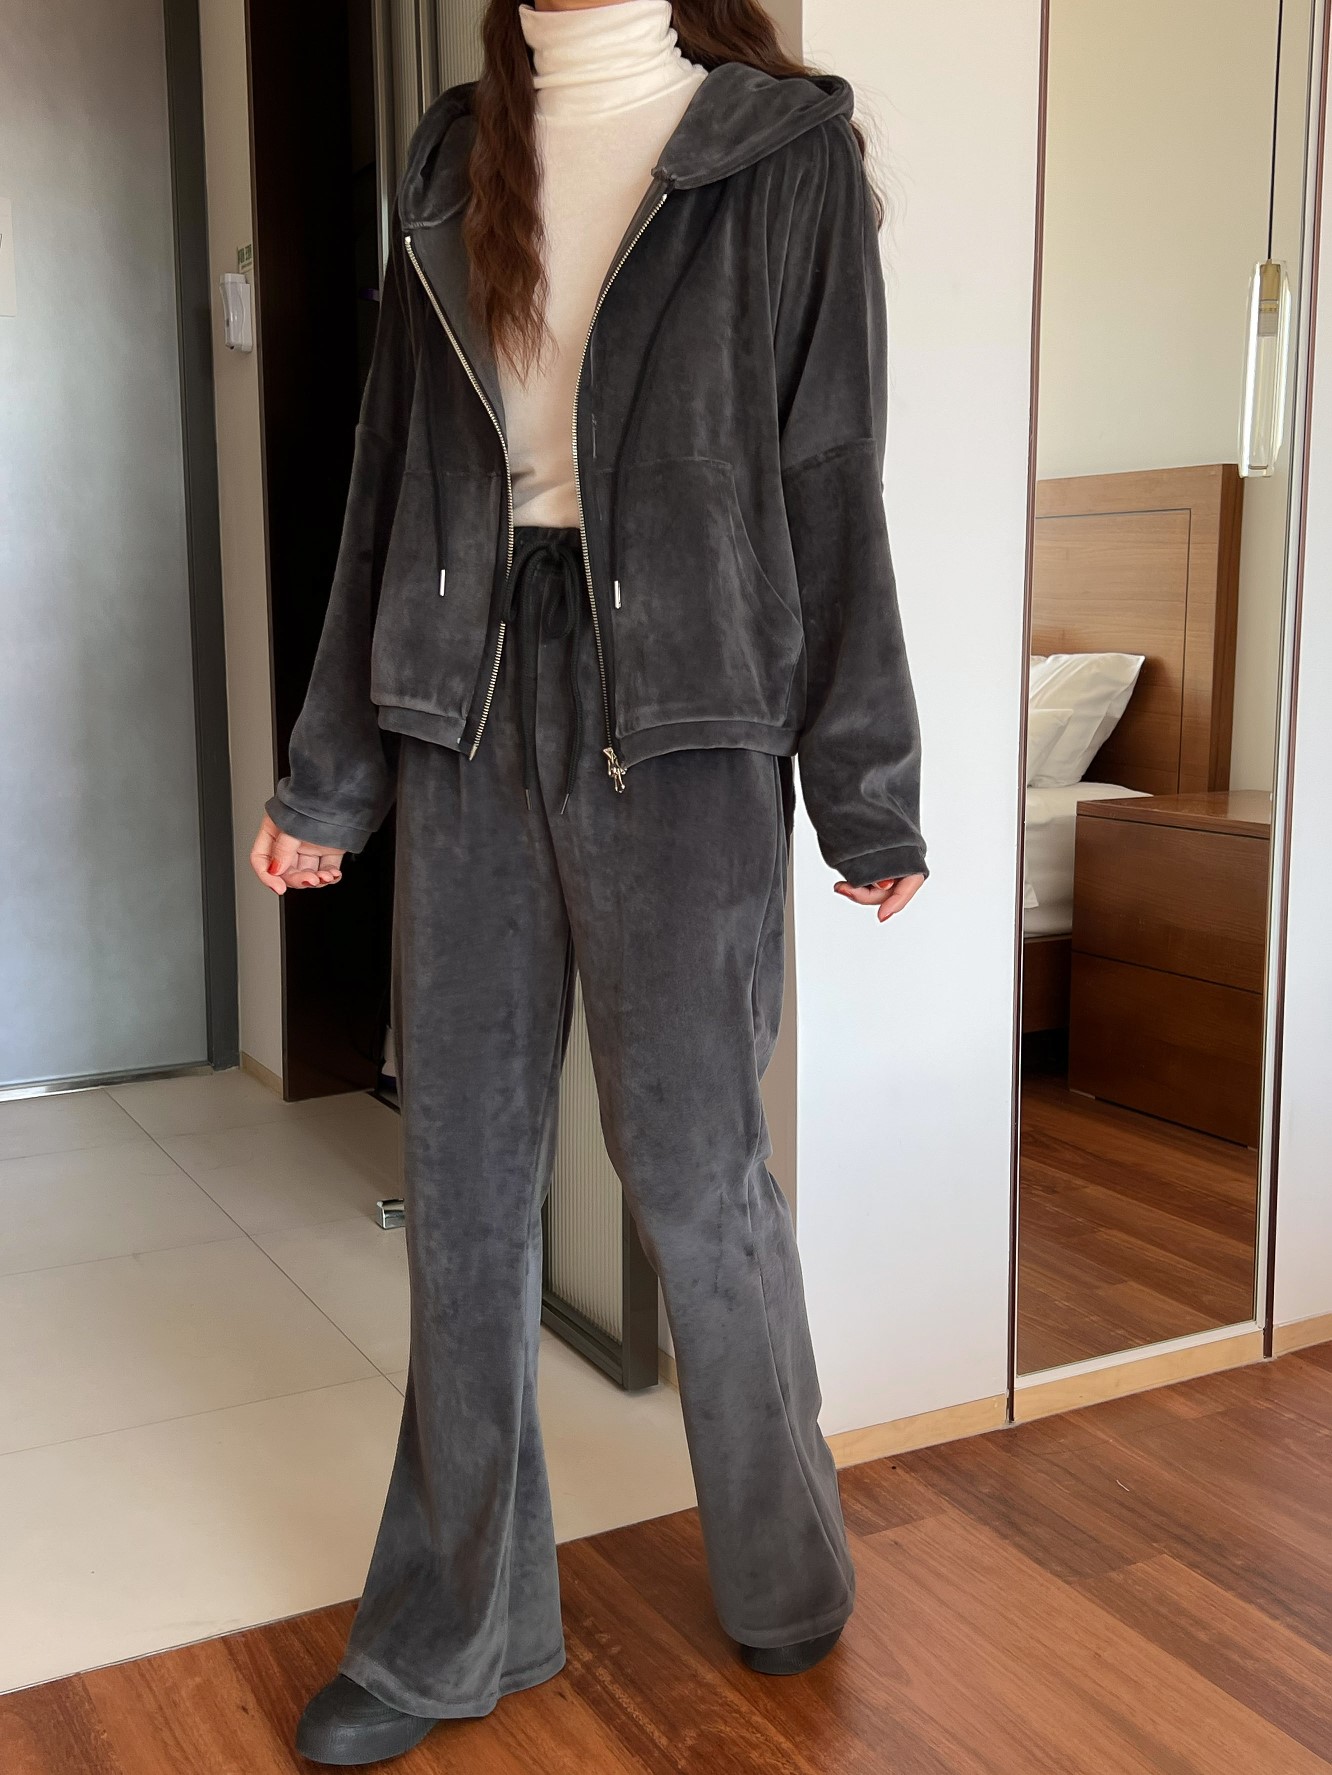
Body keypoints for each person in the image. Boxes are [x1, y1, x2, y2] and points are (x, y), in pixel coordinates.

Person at [250, 0, 926, 1763]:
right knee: (466, 1191)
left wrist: (866, 793)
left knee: (696, 1177)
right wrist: (331, 774)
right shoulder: (451, 148)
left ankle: (785, 1568)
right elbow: (389, 476)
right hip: (465, 707)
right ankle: (454, 1634)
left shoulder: (780, 153)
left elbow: (831, 480)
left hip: (687, 720)